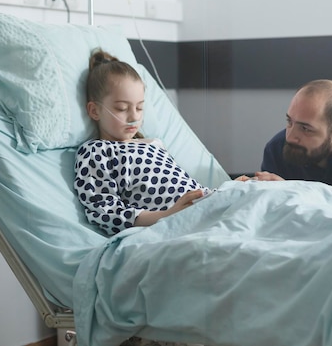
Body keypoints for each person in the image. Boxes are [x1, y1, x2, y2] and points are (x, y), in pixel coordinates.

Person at [73, 50, 244, 236]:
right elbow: (105, 212)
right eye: (121, 108)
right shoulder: (96, 152)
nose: (134, 116)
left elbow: (184, 186)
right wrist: (167, 215)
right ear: (95, 111)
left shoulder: (154, 144)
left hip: (207, 205)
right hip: (178, 221)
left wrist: (227, 190)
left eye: (139, 107)